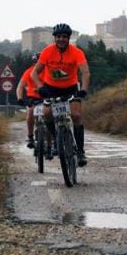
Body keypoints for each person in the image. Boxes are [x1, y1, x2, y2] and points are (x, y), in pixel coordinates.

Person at [31, 23, 91, 166]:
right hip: (51, 87)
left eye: (64, 37)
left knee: (76, 115)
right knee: (46, 113)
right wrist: (40, 87)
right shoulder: (47, 51)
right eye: (58, 37)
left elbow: (85, 72)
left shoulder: (76, 52)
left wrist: (83, 89)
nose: (61, 39)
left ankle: (81, 151)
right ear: (55, 38)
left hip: (70, 87)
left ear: (68, 38)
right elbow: (34, 73)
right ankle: (57, 139)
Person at [16, 53, 53, 158]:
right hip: (33, 98)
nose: (38, 64)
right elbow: (20, 86)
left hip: (46, 97)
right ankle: (31, 136)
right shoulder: (28, 72)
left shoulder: (48, 71)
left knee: (49, 118)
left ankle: (50, 146)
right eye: (36, 62)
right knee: (30, 112)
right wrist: (19, 98)